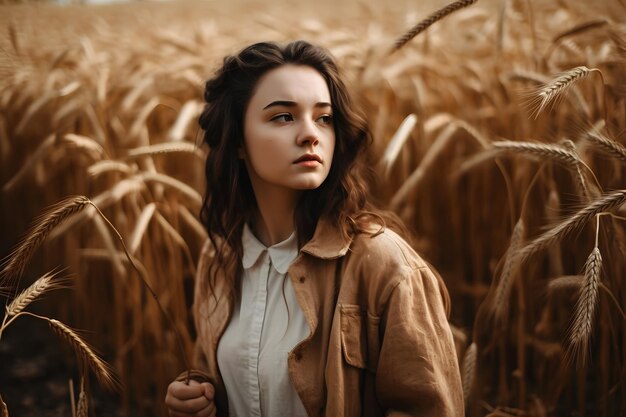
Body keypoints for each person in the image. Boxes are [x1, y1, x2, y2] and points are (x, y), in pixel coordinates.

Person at [165, 40, 463, 417]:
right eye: (283, 117)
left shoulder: (384, 265)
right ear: (238, 140)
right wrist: (195, 403)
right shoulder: (219, 260)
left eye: (323, 118)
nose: (311, 134)